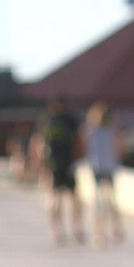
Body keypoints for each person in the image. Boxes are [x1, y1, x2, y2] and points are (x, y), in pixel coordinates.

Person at [32, 95, 85, 245]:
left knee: (54, 196)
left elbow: (40, 143)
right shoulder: (71, 120)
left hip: (53, 163)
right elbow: (79, 141)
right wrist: (78, 159)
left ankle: (58, 230)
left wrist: (40, 164)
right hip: (68, 163)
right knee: (73, 197)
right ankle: (76, 228)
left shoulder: (48, 120)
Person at [84, 101, 125, 248]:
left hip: (97, 168)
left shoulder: (90, 131)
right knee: (111, 200)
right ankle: (116, 229)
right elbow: (120, 149)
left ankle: (99, 233)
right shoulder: (112, 131)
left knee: (99, 202)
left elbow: (86, 149)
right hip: (109, 168)